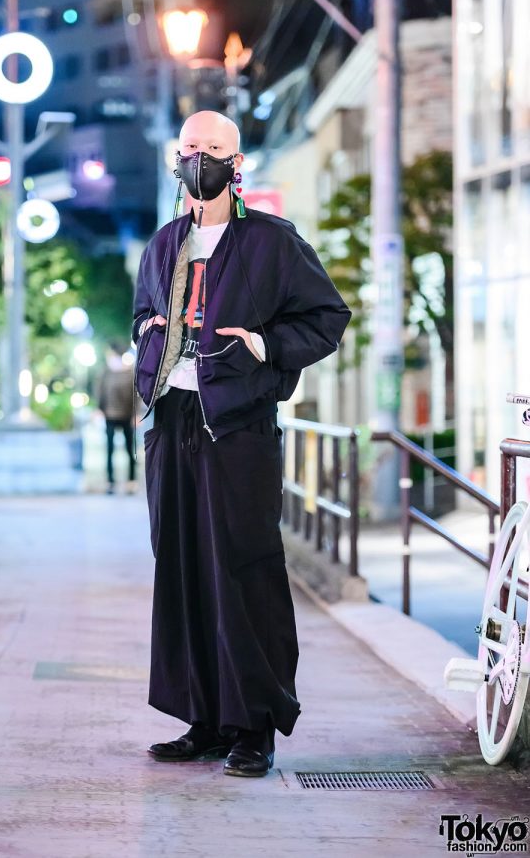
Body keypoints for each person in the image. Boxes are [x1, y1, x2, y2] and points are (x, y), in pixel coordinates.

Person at [132, 110, 351, 777]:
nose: (200, 158)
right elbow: (142, 312)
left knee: (244, 571)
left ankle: (254, 724)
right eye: (190, 147)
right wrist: (148, 332)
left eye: (213, 148)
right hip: (173, 425)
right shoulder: (166, 242)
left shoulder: (273, 244)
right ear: (177, 159)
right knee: (183, 568)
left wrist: (264, 347)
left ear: (238, 162)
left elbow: (326, 317)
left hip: (239, 429)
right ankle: (203, 718)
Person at [96, 341, 137, 495]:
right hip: (109, 415)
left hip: (127, 415)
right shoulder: (106, 371)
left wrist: (136, 414)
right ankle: (110, 482)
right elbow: (100, 391)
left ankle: (131, 481)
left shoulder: (130, 372)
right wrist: (99, 409)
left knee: (129, 449)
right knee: (110, 449)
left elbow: (136, 394)